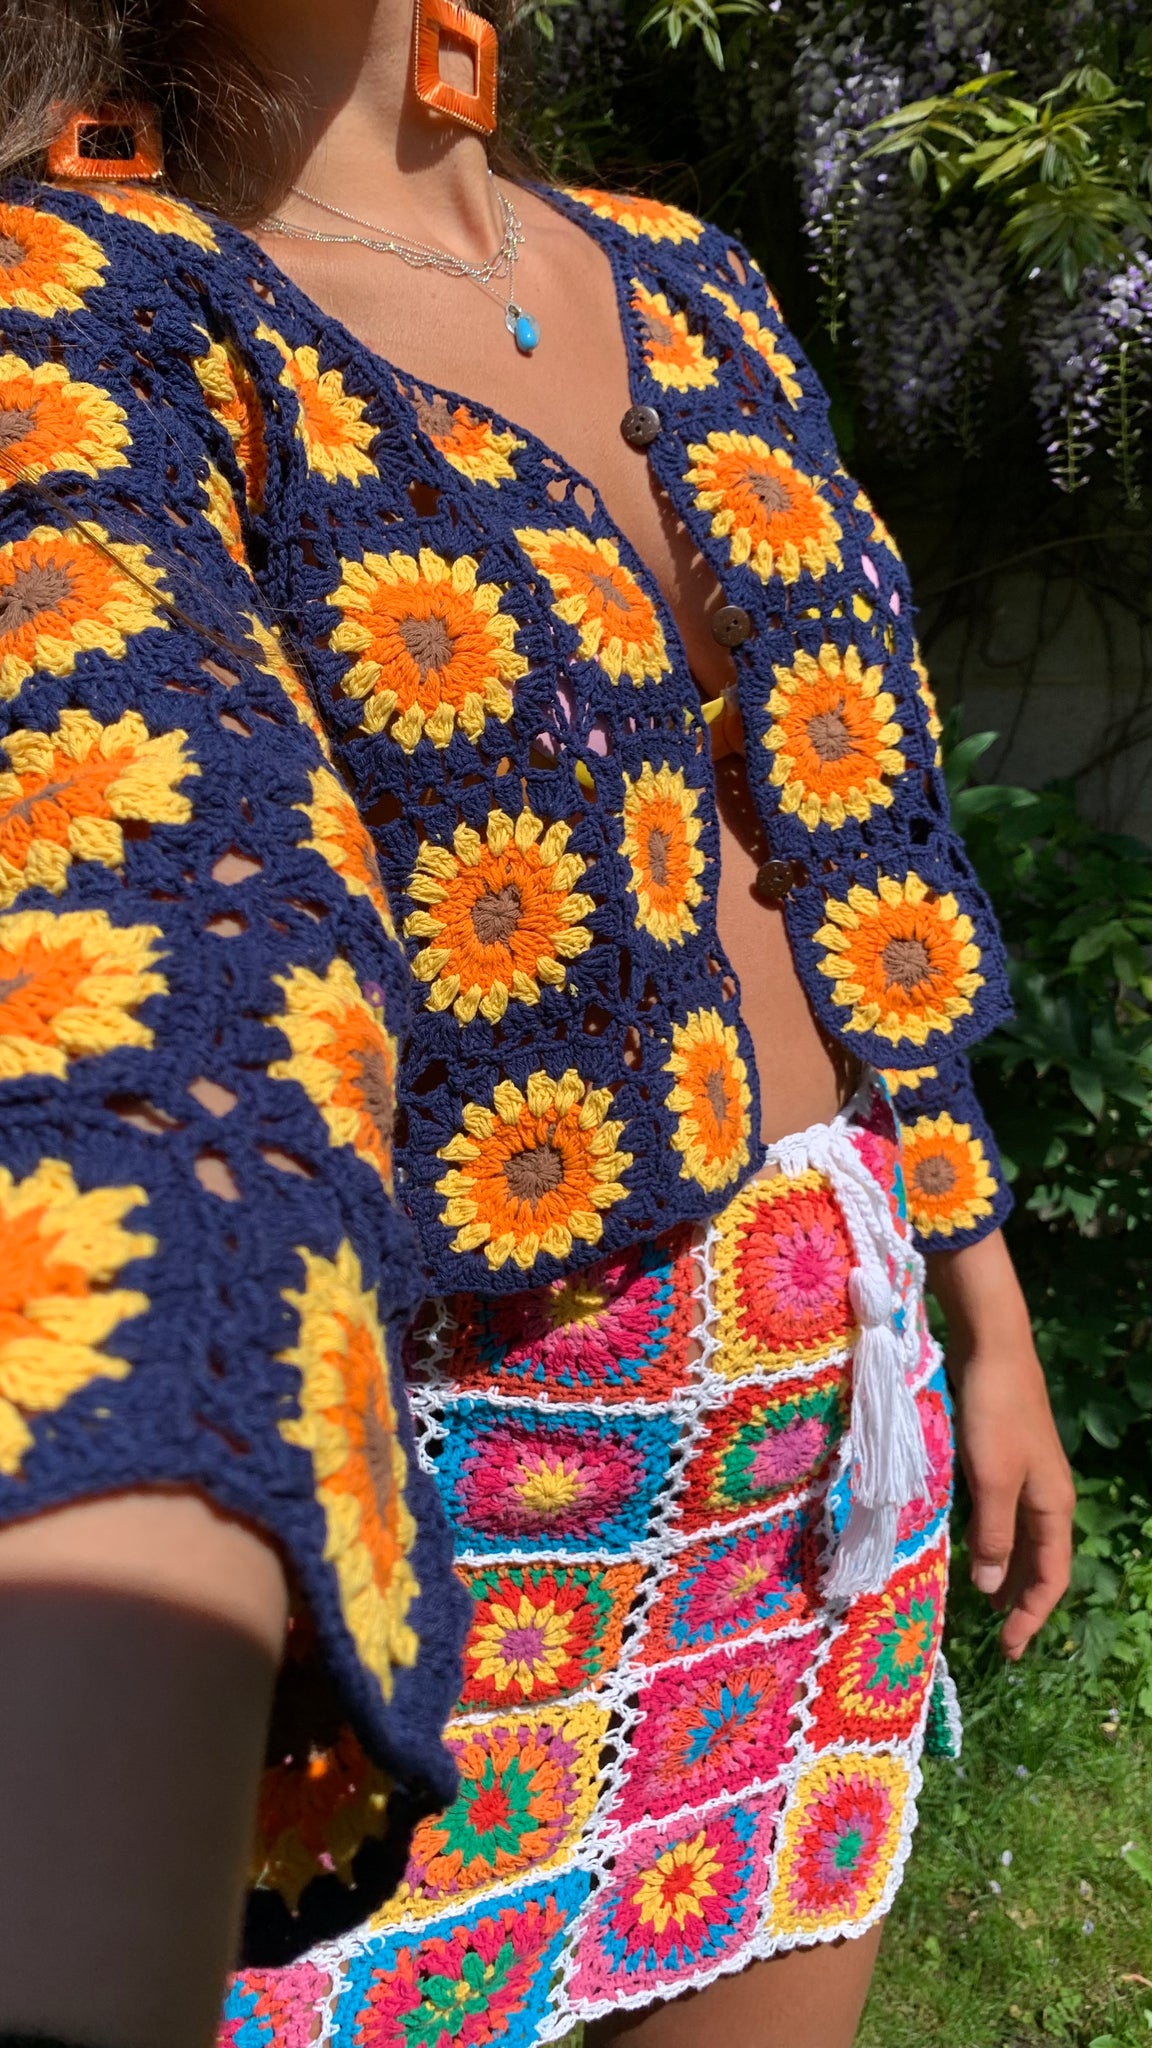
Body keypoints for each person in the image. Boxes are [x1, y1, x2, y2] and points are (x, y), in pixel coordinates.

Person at [0, 3, 1076, 2044]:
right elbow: (135, 882)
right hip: (435, 1471)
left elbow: (852, 842)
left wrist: (980, 1295)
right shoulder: (81, 298)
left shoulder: (690, 272)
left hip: (819, 1410)